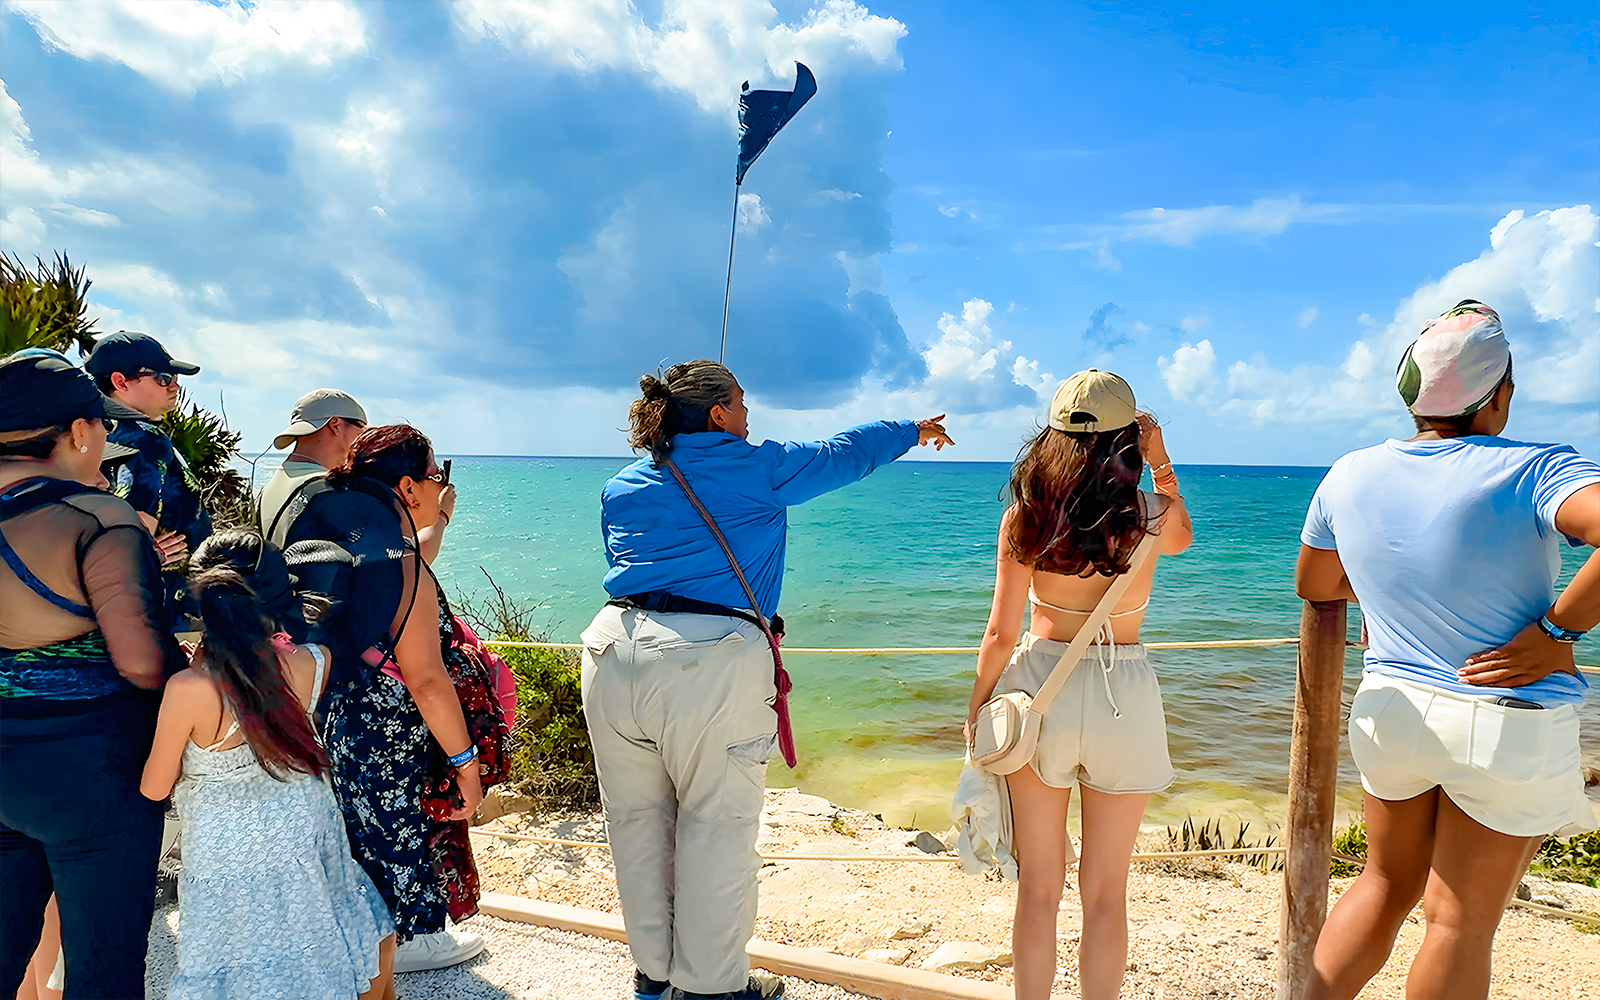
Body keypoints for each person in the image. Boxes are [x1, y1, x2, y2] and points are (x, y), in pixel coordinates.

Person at [584, 359, 953, 1000]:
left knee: (636, 822)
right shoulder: (756, 467)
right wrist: (912, 428)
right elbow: (844, 454)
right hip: (706, 659)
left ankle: (653, 976)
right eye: (743, 403)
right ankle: (713, 988)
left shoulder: (621, 484)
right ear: (720, 414)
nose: (751, 416)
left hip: (610, 651)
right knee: (715, 824)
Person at [1298, 301, 1599, 1000]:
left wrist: (1393, 588)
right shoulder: (1537, 468)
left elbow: (1315, 582)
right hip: (1505, 716)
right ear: (1500, 397)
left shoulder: (1350, 472)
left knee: (1382, 884)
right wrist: (1556, 633)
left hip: (1393, 711)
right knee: (1458, 922)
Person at [964, 369, 1191, 1000]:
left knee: (1039, 888)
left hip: (1041, 690)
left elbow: (1000, 634)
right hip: (1125, 692)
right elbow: (1183, 539)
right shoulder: (1153, 514)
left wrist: (979, 704)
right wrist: (1161, 460)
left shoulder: (1025, 519)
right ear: (1130, 440)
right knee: (1105, 893)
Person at [139, 528, 395, 999]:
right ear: (281, 595)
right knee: (316, 922)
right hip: (305, 820)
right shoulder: (314, 659)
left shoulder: (190, 690)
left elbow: (155, 787)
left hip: (226, 847)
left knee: (234, 954)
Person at [0, 353, 182, 999]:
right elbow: (140, 660)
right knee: (103, 968)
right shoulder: (98, 517)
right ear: (78, 431)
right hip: (90, 768)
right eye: (101, 427)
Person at [284, 425, 487, 989]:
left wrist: (437, 519)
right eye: (431, 476)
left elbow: (404, 564)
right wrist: (467, 763)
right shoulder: (403, 564)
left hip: (333, 724)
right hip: (389, 742)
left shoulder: (345, 537)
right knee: (381, 891)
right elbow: (426, 679)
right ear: (406, 484)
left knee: (350, 867)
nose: (435, 485)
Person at [86, 331, 208, 571]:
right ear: (120, 382)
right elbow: (133, 534)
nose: (175, 386)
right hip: (169, 594)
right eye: (163, 378)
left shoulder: (93, 432)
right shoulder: (146, 439)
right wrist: (151, 556)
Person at [260, 389, 368, 546]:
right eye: (362, 427)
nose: (364, 437)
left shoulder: (273, 483)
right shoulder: (327, 489)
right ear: (335, 425)